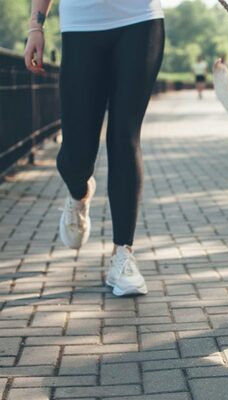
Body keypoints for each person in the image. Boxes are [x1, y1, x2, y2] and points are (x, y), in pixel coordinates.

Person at [24, 0, 165, 296]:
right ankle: (79, 191)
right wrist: (36, 25)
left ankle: (123, 254)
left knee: (124, 137)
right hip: (82, 25)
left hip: (140, 19)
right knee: (76, 156)